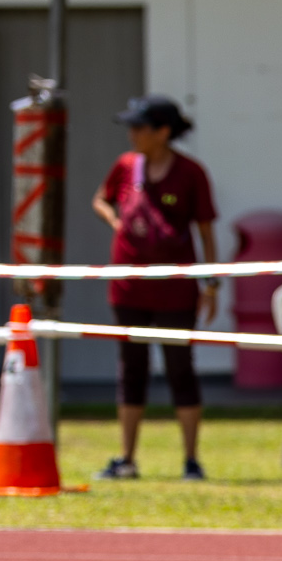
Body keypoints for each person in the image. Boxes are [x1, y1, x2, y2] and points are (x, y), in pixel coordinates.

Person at [90, 96, 219, 481]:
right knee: (132, 369)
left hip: (176, 287)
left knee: (181, 367)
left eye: (140, 127)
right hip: (129, 285)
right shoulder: (126, 166)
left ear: (163, 132)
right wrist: (115, 220)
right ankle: (126, 458)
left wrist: (210, 282)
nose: (132, 135)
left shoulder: (191, 172)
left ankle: (191, 460)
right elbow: (100, 198)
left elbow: (206, 230)